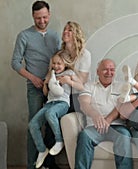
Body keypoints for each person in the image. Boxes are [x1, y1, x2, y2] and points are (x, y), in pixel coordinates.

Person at [10, 1, 61, 168]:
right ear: (33, 16)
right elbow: (15, 63)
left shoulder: (55, 36)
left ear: (50, 14)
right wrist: (33, 78)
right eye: (38, 18)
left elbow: (60, 61)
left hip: (54, 87)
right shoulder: (24, 36)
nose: (42, 21)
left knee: (53, 125)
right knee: (34, 125)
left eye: (45, 17)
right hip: (35, 87)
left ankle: (49, 164)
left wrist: (50, 79)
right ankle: (32, 165)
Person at [28, 51, 84, 168]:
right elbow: (46, 93)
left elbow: (81, 86)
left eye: (59, 63)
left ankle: (59, 141)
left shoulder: (69, 73)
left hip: (62, 103)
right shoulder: (50, 74)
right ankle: (42, 150)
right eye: (54, 63)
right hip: (49, 103)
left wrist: (68, 81)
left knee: (50, 114)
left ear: (65, 64)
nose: (56, 66)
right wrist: (45, 85)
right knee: (33, 124)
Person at [75, 59, 133, 169]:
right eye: (105, 69)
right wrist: (95, 114)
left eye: (112, 70)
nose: (109, 73)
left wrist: (108, 119)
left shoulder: (122, 87)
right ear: (97, 72)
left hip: (117, 126)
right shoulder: (89, 86)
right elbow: (84, 103)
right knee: (84, 136)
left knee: (124, 136)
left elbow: (122, 106)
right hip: (94, 126)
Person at [61, 21, 91, 113]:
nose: (65, 31)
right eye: (64, 29)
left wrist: (67, 79)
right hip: (63, 93)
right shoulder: (61, 53)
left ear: (76, 34)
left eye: (70, 30)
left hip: (79, 94)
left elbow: (82, 81)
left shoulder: (85, 54)